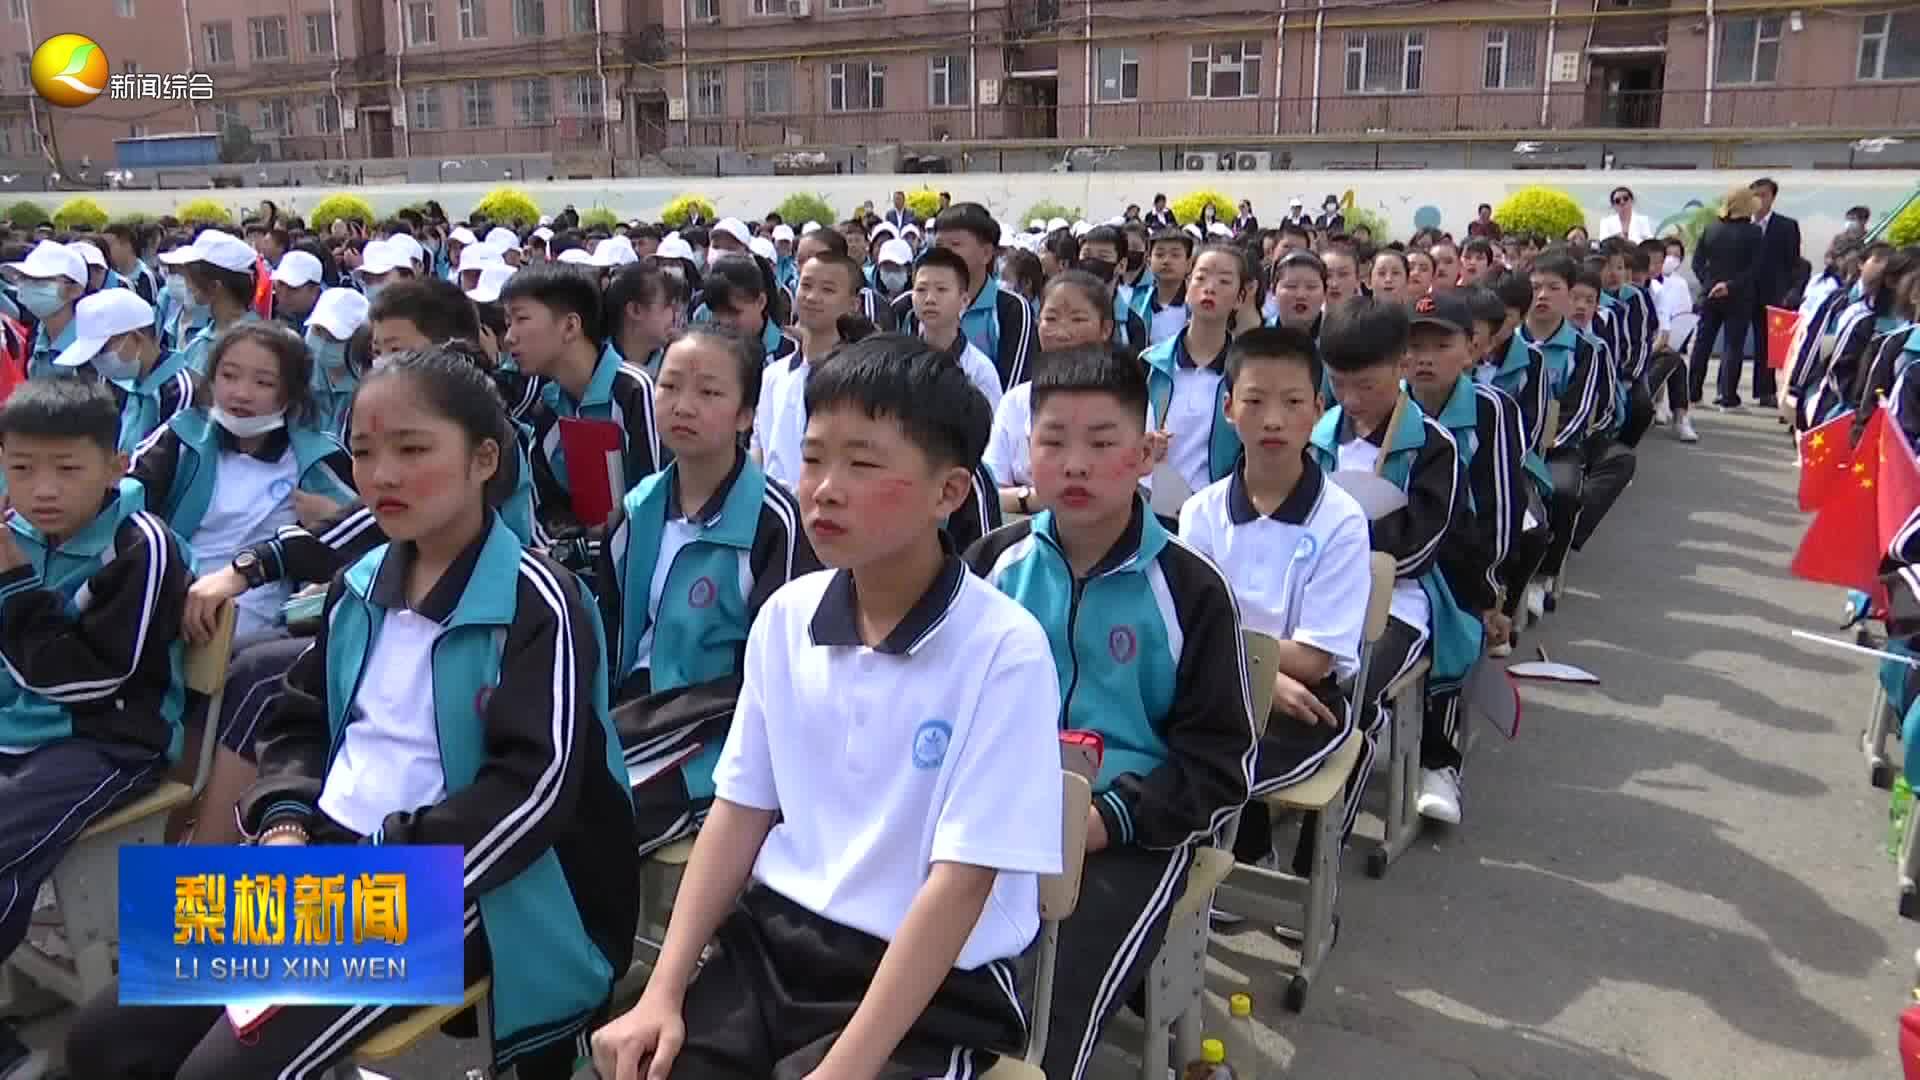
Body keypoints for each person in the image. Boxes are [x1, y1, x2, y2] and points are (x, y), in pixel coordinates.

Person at [69, 349, 637, 1080]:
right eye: (365, 453)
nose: (383, 475)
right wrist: (282, 824)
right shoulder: (361, 582)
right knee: (103, 1038)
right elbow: (300, 724)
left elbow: (530, 793)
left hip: (457, 887)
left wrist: (370, 865)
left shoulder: (539, 600)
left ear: (483, 459)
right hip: (315, 859)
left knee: (220, 1072)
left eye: (413, 448)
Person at [589, 336, 1064, 1080]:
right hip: (775, 946)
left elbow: (961, 884)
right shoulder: (788, 617)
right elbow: (739, 811)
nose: (824, 488)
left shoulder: (1004, 650)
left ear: (949, 492)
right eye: (812, 459)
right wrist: (662, 989)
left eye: (863, 463)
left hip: (931, 983)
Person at [965, 346, 1255, 1080]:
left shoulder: (1191, 589)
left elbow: (1219, 764)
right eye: (1053, 441)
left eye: (1102, 443)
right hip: (992, 813)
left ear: (1144, 451)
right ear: (1026, 453)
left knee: (1051, 999)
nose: (1076, 464)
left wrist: (1106, 821)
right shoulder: (989, 565)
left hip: (1129, 833)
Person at [0, 378, 192, 1080]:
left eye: (68, 468)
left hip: (107, 739)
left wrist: (14, 588)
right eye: (21, 467)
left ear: (116, 466)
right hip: (18, 729)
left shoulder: (140, 545)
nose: (41, 489)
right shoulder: (11, 531)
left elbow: (92, 681)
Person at [598, 326, 817, 857]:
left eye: (710, 392)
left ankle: (383, 926)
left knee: (582, 828)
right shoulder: (636, 508)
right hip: (631, 717)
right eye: (669, 386)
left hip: (715, 730)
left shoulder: (775, 523)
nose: (684, 406)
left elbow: (786, 679)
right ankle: (376, 929)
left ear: (746, 415)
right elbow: (606, 637)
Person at [1179, 327, 1367, 874]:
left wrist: (1249, 665)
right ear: (1229, 407)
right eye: (1255, 402)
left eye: (1291, 403)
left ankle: (1238, 852)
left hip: (1306, 702)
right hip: (1219, 686)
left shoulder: (1340, 521)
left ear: (1318, 409)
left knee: (1213, 761)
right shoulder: (1202, 512)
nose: (1274, 420)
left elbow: (1314, 659)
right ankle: (1233, 852)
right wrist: (1258, 673)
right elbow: (1187, 630)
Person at [1307, 297, 1461, 846]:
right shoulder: (1316, 432)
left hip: (1398, 604)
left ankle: (1320, 844)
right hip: (1309, 597)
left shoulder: (1430, 445)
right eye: (1338, 384)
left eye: (1366, 386)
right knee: (1255, 678)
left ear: (1401, 366)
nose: (1350, 401)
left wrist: (1339, 547)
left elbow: (1417, 547)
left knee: (1353, 692)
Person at [1403, 293, 1527, 822]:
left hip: (1462, 560)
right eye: (1415, 346)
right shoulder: (1390, 405)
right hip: (1402, 551)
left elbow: (1502, 506)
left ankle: (1438, 762)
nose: (1425, 357)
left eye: (1441, 344)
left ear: (1471, 352)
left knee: (1446, 623)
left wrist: (1493, 596)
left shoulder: (1490, 409)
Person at [503, 264, 663, 570]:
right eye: (508, 322)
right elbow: (548, 509)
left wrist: (580, 548)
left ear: (570, 326)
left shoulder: (631, 390)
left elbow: (650, 500)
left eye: (521, 319)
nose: (509, 337)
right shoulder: (547, 406)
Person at [892, 203, 1036, 391]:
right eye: (940, 245)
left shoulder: (1011, 309)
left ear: (986, 253)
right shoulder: (908, 307)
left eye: (955, 245)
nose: (945, 253)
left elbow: (1014, 390)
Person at [754, 252, 865, 491]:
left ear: (853, 304)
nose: (812, 297)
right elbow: (760, 449)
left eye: (827, 290)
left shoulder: (859, 379)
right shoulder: (774, 375)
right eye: (806, 286)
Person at [1142, 244, 1249, 494]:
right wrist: (1143, 444)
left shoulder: (1247, 373)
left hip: (1216, 512)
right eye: (1201, 278)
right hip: (1153, 506)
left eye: (1224, 281)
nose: (1210, 287)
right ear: (1188, 285)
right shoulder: (1149, 364)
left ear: (1240, 298)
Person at [49, 288, 195, 453]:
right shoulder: (122, 384)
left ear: (136, 338)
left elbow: (167, 460)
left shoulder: (179, 389)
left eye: (102, 350)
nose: (97, 361)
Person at [1688, 186, 1766, 409]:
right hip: (1739, 296)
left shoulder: (1711, 229)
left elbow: (1697, 263)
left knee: (1702, 345)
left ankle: (1693, 394)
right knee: (1733, 346)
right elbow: (1755, 269)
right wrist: (1729, 286)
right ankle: (1727, 396)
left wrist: (1709, 284)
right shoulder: (1754, 233)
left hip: (1710, 295)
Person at [160, 228, 266, 377]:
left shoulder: (257, 341)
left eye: (190, 278)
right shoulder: (203, 339)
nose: (187, 285)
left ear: (215, 287)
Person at [912, 246, 1003, 414]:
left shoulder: (980, 372)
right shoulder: (901, 363)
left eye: (941, 289)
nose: (930, 299)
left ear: (964, 300)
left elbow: (991, 434)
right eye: (921, 289)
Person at [1748, 177, 1801, 408]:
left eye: (1764, 195)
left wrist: (1790, 291)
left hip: (1772, 295)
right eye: (1755, 195)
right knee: (1734, 343)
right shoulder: (1741, 225)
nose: (1759, 200)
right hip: (1743, 293)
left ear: (1772, 197)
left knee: (1766, 345)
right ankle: (1726, 391)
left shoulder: (1786, 226)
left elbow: (1793, 263)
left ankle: (1765, 391)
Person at [6, 239, 88, 377]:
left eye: (40, 280)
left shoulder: (93, 348)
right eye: (23, 278)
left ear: (75, 290)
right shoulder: (33, 339)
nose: (28, 285)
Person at [702, 254, 800, 368]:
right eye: (717, 313)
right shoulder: (703, 349)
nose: (725, 322)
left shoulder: (791, 352)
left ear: (761, 302)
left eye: (734, 313)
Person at [1137, 229, 1195, 346]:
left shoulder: (1196, 307)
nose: (1166, 261)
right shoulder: (1137, 304)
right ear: (1148, 262)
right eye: (1159, 255)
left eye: (1175, 255)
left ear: (1189, 264)